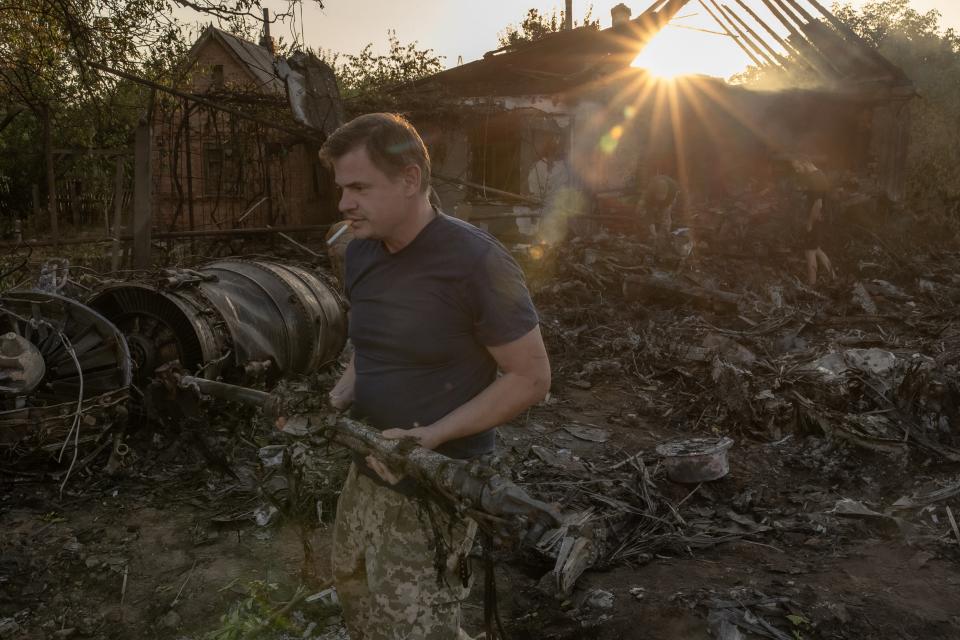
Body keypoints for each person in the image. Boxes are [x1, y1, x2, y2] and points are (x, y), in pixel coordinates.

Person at [320, 113, 551, 640]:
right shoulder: (359, 252)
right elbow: (370, 345)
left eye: (359, 187)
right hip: (368, 463)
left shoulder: (477, 263)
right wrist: (336, 397)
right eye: (341, 188)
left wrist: (432, 436)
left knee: (416, 626)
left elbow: (530, 378)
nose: (343, 204)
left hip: (436, 479)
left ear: (409, 179)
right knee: (355, 593)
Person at [792, 160, 834, 286]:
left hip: (816, 219)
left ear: (805, 163)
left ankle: (811, 287)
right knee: (817, 249)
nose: (796, 171)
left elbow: (818, 204)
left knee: (809, 252)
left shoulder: (815, 178)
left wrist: (810, 223)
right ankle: (834, 278)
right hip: (821, 219)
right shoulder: (819, 175)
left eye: (797, 167)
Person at [635, 174, 679, 240]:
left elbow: (666, 207)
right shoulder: (650, 192)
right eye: (658, 197)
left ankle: (665, 234)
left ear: (666, 194)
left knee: (665, 214)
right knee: (641, 208)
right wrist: (653, 231)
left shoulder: (672, 191)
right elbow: (649, 213)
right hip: (651, 195)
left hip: (672, 193)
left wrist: (663, 216)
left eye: (662, 197)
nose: (660, 200)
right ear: (655, 193)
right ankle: (643, 228)